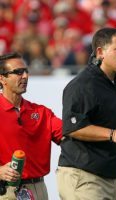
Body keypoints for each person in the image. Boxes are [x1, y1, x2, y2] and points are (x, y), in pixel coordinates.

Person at [56, 27, 116, 200]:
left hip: (109, 178)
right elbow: (72, 127)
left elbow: (115, 129)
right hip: (84, 176)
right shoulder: (83, 85)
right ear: (100, 52)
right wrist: (112, 134)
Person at [0, 52, 62, 200]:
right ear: (2, 78)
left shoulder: (41, 112)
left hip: (39, 189)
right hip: (7, 190)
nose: (25, 76)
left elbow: (72, 134)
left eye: (26, 71)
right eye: (18, 72)